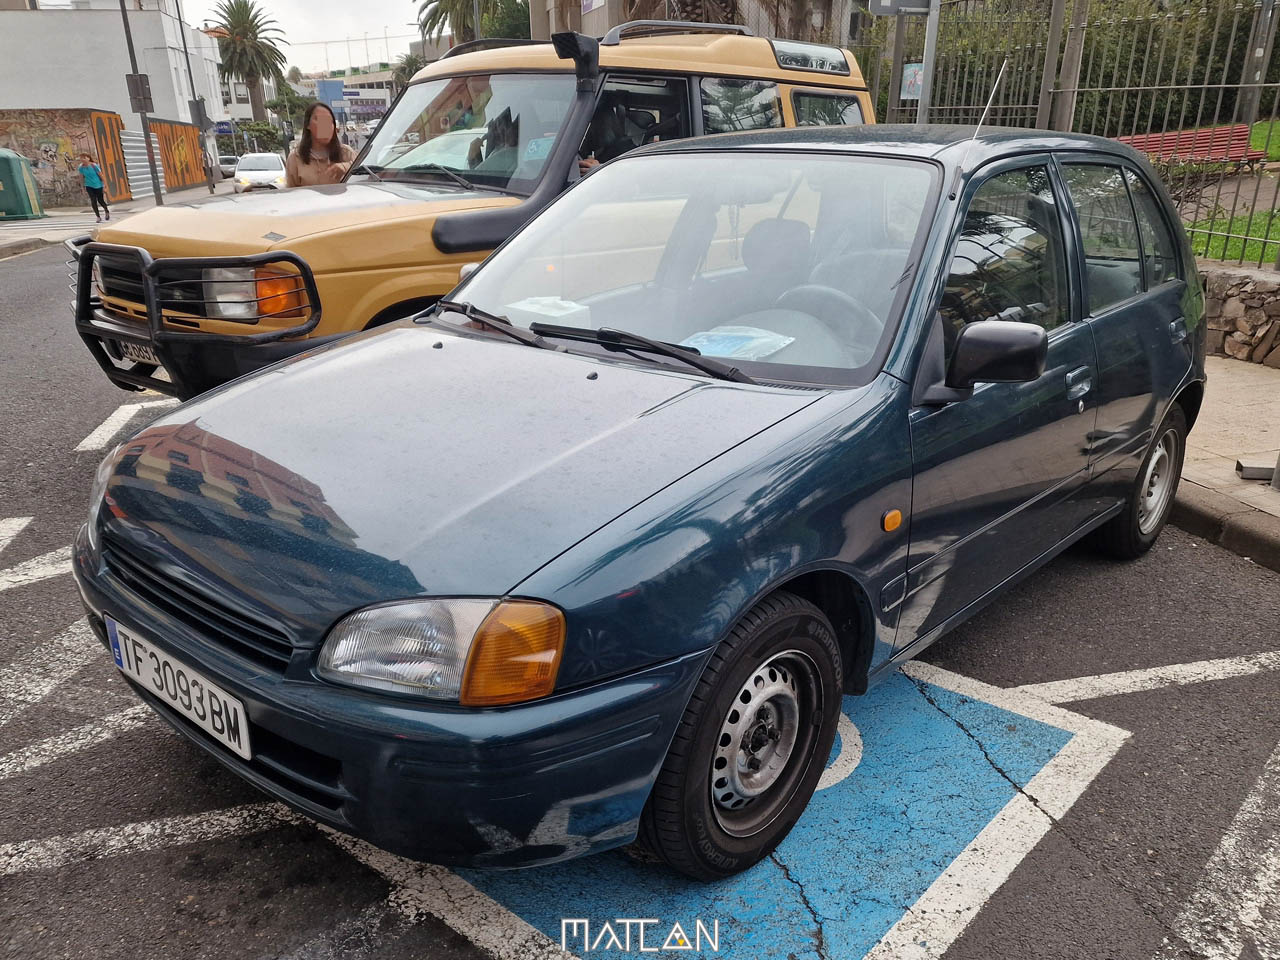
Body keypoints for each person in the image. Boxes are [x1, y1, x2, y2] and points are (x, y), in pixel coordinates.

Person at [285, 102, 356, 187]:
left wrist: (346, 167)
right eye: (320, 120)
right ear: (308, 125)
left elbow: (364, 174)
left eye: (329, 121)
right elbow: (291, 191)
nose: (325, 126)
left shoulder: (346, 153)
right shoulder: (295, 158)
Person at [77, 153, 109, 221]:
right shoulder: (81, 167)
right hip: (89, 186)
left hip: (98, 185)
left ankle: (106, 211)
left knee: (100, 200)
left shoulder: (94, 166)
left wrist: (105, 185)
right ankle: (98, 217)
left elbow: (101, 175)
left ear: (88, 158)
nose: (82, 159)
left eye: (84, 158)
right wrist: (82, 188)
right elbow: (81, 178)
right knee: (93, 200)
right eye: (81, 158)